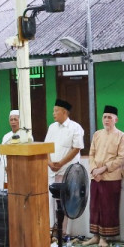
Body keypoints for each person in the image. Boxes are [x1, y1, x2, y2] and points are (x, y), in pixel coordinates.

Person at [85, 106, 124, 247]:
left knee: (108, 208)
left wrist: (103, 169)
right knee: (95, 206)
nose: (107, 120)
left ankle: (105, 238)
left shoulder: (121, 136)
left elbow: (121, 158)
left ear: (116, 119)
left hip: (111, 177)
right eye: (104, 117)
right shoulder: (97, 134)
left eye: (110, 117)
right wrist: (93, 170)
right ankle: (95, 236)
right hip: (95, 177)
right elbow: (91, 154)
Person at [44, 99, 84, 235]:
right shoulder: (52, 127)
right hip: (52, 171)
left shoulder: (75, 127)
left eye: (56, 111)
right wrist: (49, 162)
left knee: (65, 202)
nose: (53, 113)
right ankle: (51, 230)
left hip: (67, 172)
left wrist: (61, 163)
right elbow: (46, 147)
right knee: (51, 202)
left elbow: (76, 148)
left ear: (64, 112)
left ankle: (63, 232)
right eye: (53, 110)